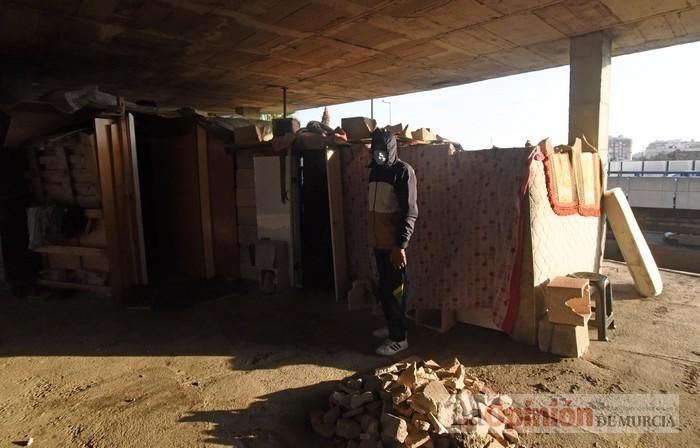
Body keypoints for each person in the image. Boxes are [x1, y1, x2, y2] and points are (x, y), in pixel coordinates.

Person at [368, 129, 418, 356]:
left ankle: (399, 338)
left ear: (391, 149)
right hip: (379, 244)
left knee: (396, 292)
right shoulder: (375, 173)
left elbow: (410, 213)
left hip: (394, 247)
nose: (378, 154)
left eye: (382, 150)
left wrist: (400, 246)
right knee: (385, 289)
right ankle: (391, 328)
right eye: (375, 149)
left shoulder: (403, 172)